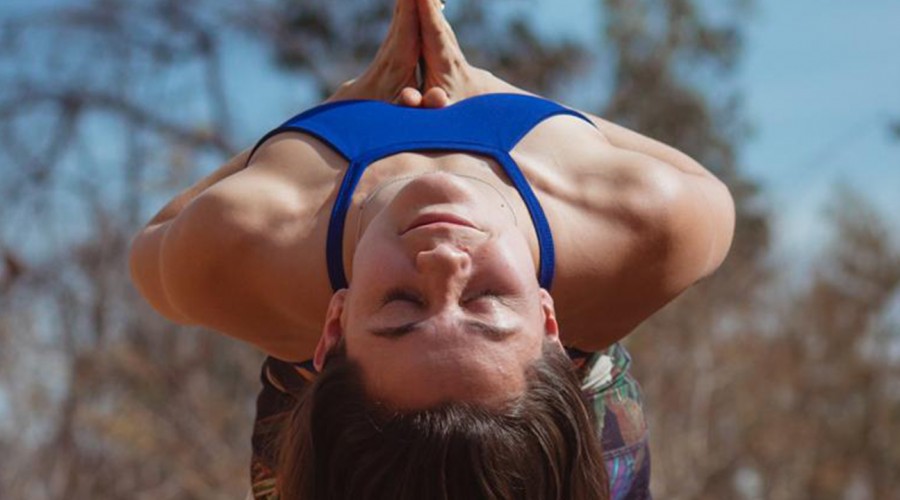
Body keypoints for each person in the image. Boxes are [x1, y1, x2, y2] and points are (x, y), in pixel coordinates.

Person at [129, 0, 735, 498]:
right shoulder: (639, 222)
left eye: (399, 307)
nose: (445, 260)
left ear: (333, 325)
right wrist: (509, 97)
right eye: (489, 300)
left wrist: (333, 111)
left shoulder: (245, 239)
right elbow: (713, 194)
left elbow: (151, 244)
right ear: (552, 321)